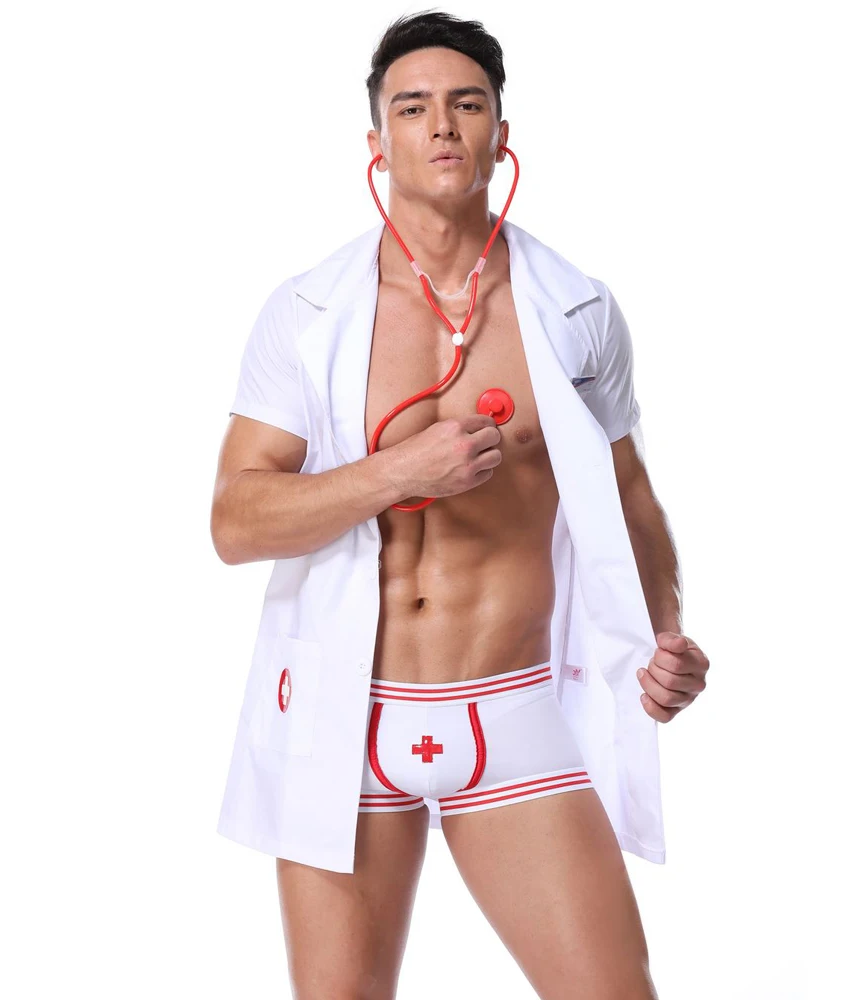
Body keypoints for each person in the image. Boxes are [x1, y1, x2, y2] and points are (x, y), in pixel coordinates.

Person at [211, 11, 710, 1000]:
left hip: (509, 710)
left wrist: (663, 633)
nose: (440, 124)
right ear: (377, 143)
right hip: (345, 719)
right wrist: (398, 473)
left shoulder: (577, 311)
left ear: (500, 132)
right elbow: (236, 520)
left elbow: (630, 498)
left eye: (465, 103)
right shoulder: (306, 312)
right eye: (413, 107)